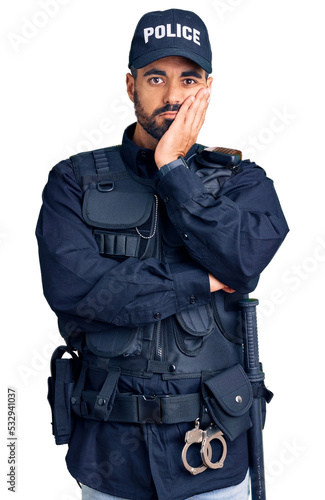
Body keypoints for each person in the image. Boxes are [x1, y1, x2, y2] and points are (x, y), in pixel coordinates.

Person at [36, 8, 289, 500]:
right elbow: (77, 292)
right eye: (156, 77)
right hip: (111, 456)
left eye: (188, 79)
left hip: (212, 454)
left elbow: (243, 260)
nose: (173, 96)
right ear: (131, 85)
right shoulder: (73, 181)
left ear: (207, 88)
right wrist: (199, 279)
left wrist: (172, 167)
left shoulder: (243, 182)